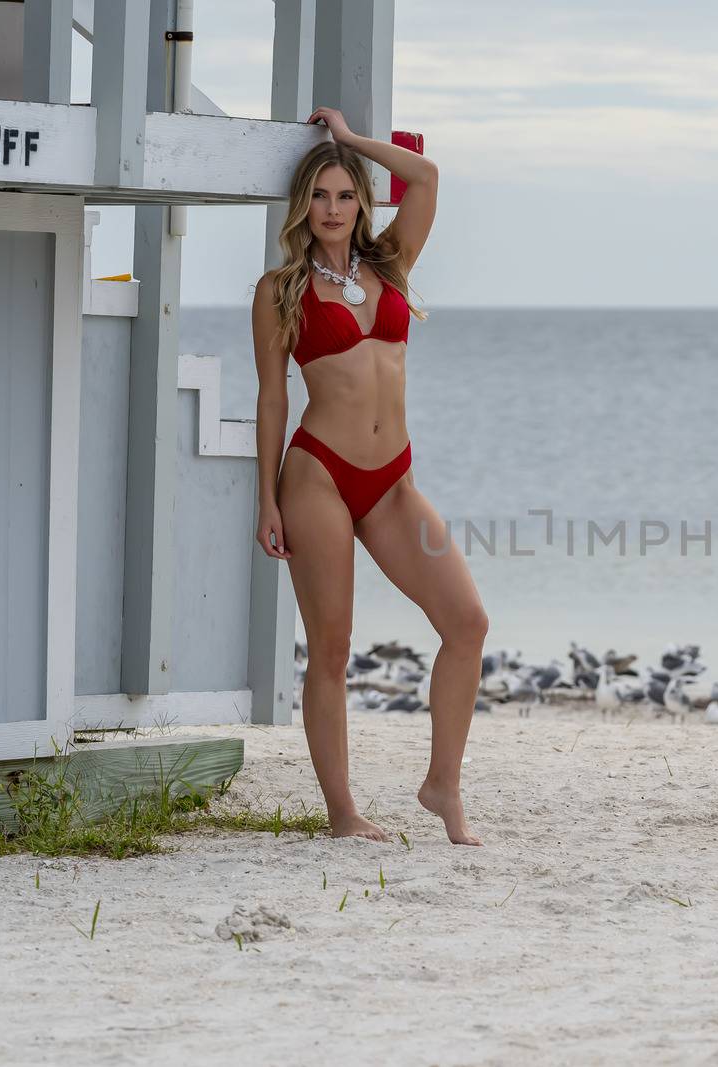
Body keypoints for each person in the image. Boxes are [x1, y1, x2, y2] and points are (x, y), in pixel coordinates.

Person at [250, 106, 486, 846]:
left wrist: (350, 142)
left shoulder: (391, 265)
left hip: (392, 480)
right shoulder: (280, 290)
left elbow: (427, 175)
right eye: (319, 196)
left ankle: (441, 782)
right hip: (318, 474)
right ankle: (344, 812)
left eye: (344, 194)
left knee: (467, 623)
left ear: (361, 201)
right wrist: (267, 498)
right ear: (302, 207)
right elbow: (272, 396)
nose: (331, 209)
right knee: (332, 648)